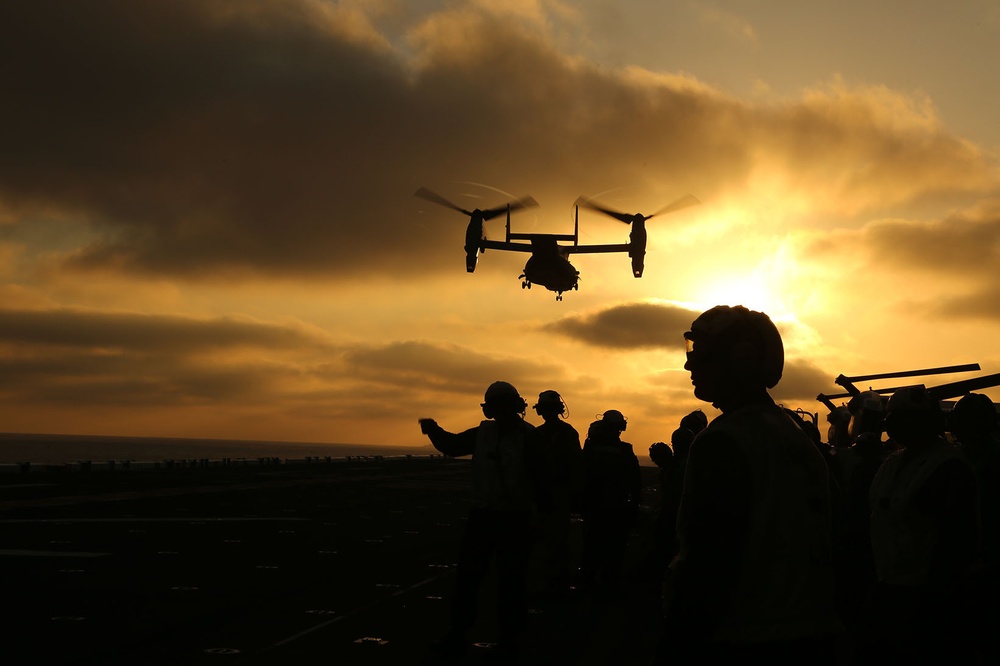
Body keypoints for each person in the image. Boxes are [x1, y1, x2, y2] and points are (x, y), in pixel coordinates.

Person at [657, 305, 840, 664]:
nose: (689, 366)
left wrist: (677, 641)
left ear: (740, 360)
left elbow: (710, 559)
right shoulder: (796, 436)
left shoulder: (724, 440)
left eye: (703, 356)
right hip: (809, 631)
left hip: (744, 634)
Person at [418, 381, 548, 660]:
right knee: (468, 579)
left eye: (503, 405)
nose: (499, 411)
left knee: (510, 582)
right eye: (496, 405)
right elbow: (452, 446)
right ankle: (460, 634)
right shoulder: (484, 433)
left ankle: (509, 640)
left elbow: (542, 481)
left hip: (515, 518)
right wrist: (434, 431)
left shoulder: (530, 437)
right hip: (484, 515)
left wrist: (537, 516)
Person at [862, 386, 980, 664]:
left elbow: (955, 545)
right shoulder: (891, 464)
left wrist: (934, 601)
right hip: (890, 591)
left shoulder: (949, 467)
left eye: (908, 419)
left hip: (927, 601)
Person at [579, 410, 641, 599]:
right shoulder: (625, 450)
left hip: (596, 508)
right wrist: (634, 507)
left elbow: (582, 476)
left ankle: (588, 586)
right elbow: (635, 483)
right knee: (613, 552)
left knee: (592, 550)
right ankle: (607, 587)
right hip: (615, 508)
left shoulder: (591, 449)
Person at [531, 389, 582, 596]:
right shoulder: (543, 433)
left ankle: (555, 581)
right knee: (549, 539)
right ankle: (551, 580)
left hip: (556, 492)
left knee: (555, 539)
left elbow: (575, 465)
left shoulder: (562, 433)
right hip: (546, 492)